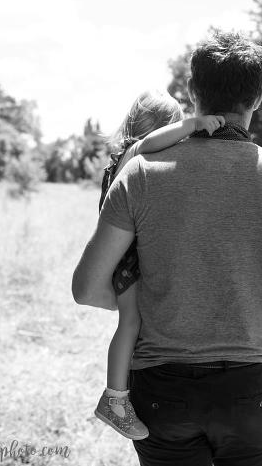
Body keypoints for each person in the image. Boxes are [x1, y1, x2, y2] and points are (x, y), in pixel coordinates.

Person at [73, 29, 262, 466]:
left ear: (192, 92)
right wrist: (240, 305)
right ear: (260, 97)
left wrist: (165, 307)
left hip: (160, 390)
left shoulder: (141, 173)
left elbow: (86, 288)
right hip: (252, 391)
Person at [94, 90, 225, 440]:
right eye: (175, 126)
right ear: (161, 126)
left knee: (136, 322)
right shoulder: (137, 152)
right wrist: (193, 124)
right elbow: (152, 143)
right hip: (127, 257)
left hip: (127, 252)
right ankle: (114, 400)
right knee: (131, 321)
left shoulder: (119, 157)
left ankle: (123, 393)